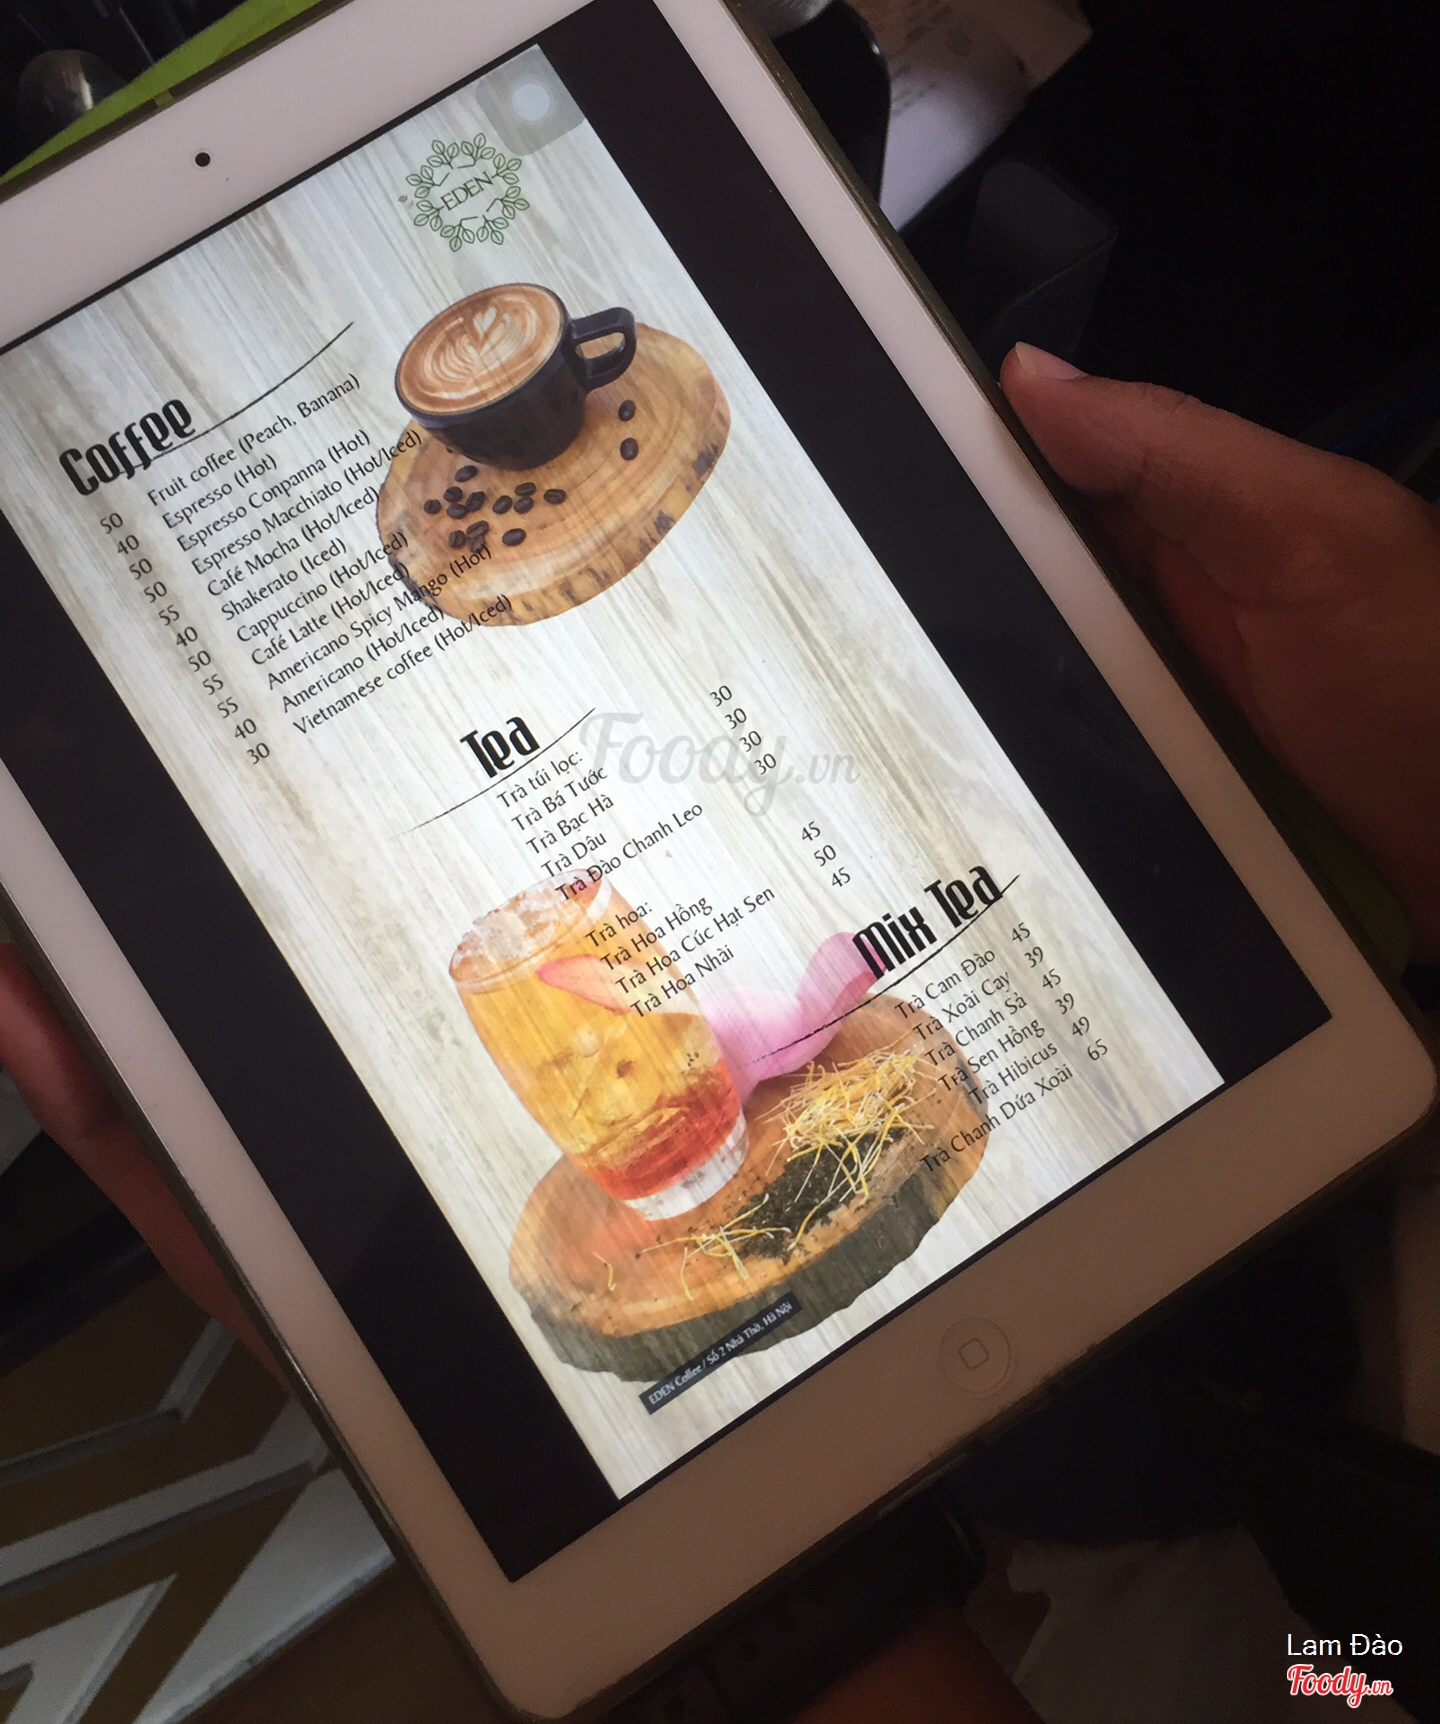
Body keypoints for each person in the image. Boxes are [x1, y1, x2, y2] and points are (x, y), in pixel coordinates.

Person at [2, 346, 1438, 1723]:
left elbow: (1325, 1669)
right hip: (1344, 1529)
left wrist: (739, 1614)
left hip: (1281, 1578)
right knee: (1160, 1451)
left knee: (1125, 1491)